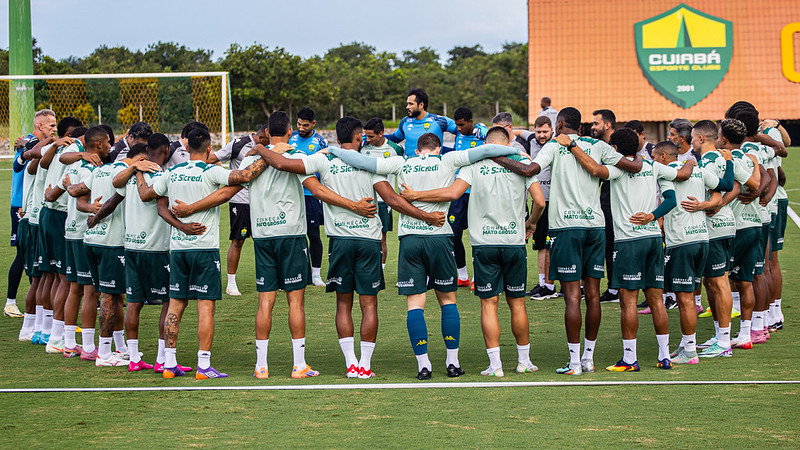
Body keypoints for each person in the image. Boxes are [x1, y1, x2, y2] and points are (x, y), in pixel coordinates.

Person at [171, 111, 375, 379]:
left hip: (263, 236)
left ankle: (261, 366)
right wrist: (353, 206)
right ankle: (298, 365)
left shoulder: (251, 160)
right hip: (291, 235)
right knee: (295, 302)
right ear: (290, 132)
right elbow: (317, 190)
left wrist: (191, 208)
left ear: (267, 132)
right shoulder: (295, 156)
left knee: (265, 301)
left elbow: (227, 192)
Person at [257, 116, 445, 379]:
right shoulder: (369, 163)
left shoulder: (324, 160)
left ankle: (350, 364)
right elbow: (392, 200)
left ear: (337, 137)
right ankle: (364, 365)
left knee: (343, 305)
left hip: (339, 241)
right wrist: (426, 217)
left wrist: (259, 147)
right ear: (359, 137)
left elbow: (282, 164)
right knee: (369, 305)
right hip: (369, 241)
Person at [330, 131, 519, 378]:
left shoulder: (401, 162)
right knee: (448, 300)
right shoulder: (448, 160)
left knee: (415, 304)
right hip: (440, 237)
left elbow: (362, 161)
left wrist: (332, 150)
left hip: (410, 239)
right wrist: (515, 151)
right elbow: (486, 150)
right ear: (438, 149)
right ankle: (452, 363)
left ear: (418, 150)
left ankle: (423, 366)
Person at [490, 107, 643, 375]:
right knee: (593, 295)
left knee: (572, 296)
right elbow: (634, 166)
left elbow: (530, 169)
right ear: (579, 126)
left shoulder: (554, 145)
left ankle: (574, 363)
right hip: (595, 227)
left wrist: (497, 158)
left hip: (566, 228)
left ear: (559, 124)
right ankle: (588, 359)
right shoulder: (598, 145)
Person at [398, 127, 545, 377]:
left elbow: (453, 193)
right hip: (514, 241)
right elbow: (540, 202)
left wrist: (416, 195)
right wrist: (531, 223)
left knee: (489, 304)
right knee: (518, 304)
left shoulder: (474, 164)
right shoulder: (522, 163)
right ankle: (524, 361)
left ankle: (495, 366)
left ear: (487, 143)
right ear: (508, 143)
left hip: (483, 243)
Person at [138, 128, 268, 379]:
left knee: (175, 306)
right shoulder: (211, 171)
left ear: (187, 148)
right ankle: (203, 366)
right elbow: (244, 175)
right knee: (205, 309)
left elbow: (146, 195)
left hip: (178, 248)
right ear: (209, 149)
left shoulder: (172, 172)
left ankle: (169, 364)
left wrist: (137, 170)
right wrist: (268, 155)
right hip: (204, 248)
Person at [112, 134, 202, 372]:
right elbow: (163, 209)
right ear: (165, 150)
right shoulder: (161, 176)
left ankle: (134, 359)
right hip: (155, 248)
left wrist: (133, 168)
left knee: (134, 303)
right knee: (168, 301)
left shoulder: (132, 176)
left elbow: (115, 185)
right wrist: (183, 227)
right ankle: (162, 359)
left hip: (131, 247)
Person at [645, 140, 733, 365]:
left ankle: (690, 351)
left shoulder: (667, 175)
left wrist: (652, 217)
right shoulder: (698, 170)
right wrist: (730, 163)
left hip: (681, 242)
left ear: (663, 157)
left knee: (685, 299)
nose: (653, 161)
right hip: (702, 239)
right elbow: (727, 184)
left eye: (654, 158)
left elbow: (670, 202)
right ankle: (686, 344)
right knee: (690, 296)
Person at [692, 120, 759, 357]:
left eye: (693, 137)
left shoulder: (709, 161)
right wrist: (721, 203)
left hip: (715, 228)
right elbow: (740, 185)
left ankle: (723, 342)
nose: (691, 141)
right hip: (726, 225)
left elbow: (731, 188)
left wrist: (714, 204)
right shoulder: (724, 158)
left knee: (719, 282)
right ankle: (720, 336)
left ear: (701, 139)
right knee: (713, 282)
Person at [207, 125, 270, 296]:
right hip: (240, 200)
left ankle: (269, 278)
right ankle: (231, 283)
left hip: (261, 200)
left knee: (264, 240)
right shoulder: (238, 144)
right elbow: (213, 158)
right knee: (238, 240)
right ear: (264, 135)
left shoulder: (270, 148)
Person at [7, 109, 57, 320]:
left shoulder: (35, 143)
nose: (54, 129)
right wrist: (26, 146)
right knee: (24, 255)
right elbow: (19, 166)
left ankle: (37, 307)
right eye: (51, 125)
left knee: (34, 256)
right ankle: (11, 303)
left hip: (32, 205)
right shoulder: (29, 142)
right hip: (21, 206)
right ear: (40, 126)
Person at [288, 107, 329, 287]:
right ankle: (294, 272)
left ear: (313, 124)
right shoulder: (290, 138)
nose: (301, 128)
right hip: (291, 193)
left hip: (310, 194)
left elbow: (325, 167)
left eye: (305, 125)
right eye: (299, 124)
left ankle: (316, 274)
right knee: (291, 234)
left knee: (313, 234)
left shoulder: (320, 142)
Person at [447, 106, 487, 288]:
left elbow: (497, 136)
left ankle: (478, 276)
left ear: (471, 122)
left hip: (477, 193)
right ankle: (462, 275)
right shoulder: (459, 135)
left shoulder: (482, 134)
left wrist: (483, 129)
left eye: (462, 125)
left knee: (477, 236)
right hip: (458, 193)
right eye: (457, 125)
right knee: (454, 234)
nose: (459, 128)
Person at [517, 116, 556, 300]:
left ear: (552, 130)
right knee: (540, 244)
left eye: (545, 132)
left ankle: (550, 285)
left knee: (551, 245)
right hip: (538, 201)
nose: (541, 135)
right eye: (538, 131)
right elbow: (514, 131)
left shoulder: (557, 144)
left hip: (554, 202)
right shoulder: (531, 139)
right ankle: (542, 284)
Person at [387, 88, 484, 157]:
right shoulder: (405, 122)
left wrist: (480, 127)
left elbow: (462, 129)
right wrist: (378, 134)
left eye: (410, 104)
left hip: (434, 171)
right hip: (410, 171)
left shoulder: (439, 121)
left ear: (421, 105)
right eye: (407, 104)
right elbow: (394, 138)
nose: (407, 107)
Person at [361, 118, 404, 269]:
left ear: (381, 133)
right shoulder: (363, 147)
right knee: (365, 235)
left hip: (384, 200)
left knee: (381, 237)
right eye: (366, 136)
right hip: (366, 199)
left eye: (371, 136)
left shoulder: (395, 149)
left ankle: (381, 269)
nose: (368, 139)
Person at [591, 109, 619, 304]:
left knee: (616, 246)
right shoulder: (599, 146)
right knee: (608, 246)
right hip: (605, 203)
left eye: (596, 123)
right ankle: (613, 287)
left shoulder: (618, 145)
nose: (593, 127)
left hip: (618, 204)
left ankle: (618, 287)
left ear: (607, 125)